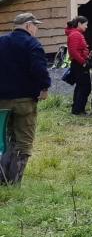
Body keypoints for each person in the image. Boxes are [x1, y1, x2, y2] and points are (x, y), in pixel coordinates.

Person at [0, 14, 51, 185]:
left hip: (2, 100)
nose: (36, 29)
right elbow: (39, 68)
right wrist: (44, 87)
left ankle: (2, 178)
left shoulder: (1, 41)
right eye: (35, 25)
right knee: (23, 141)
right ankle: (14, 182)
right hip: (25, 101)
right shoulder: (32, 43)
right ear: (29, 26)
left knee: (6, 138)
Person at [66, 16, 92, 115]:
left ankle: (77, 109)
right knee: (85, 87)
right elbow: (73, 51)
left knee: (80, 86)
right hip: (79, 64)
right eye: (85, 24)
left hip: (78, 63)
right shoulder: (75, 35)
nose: (87, 27)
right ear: (79, 24)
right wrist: (83, 62)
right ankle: (78, 110)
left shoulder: (76, 33)